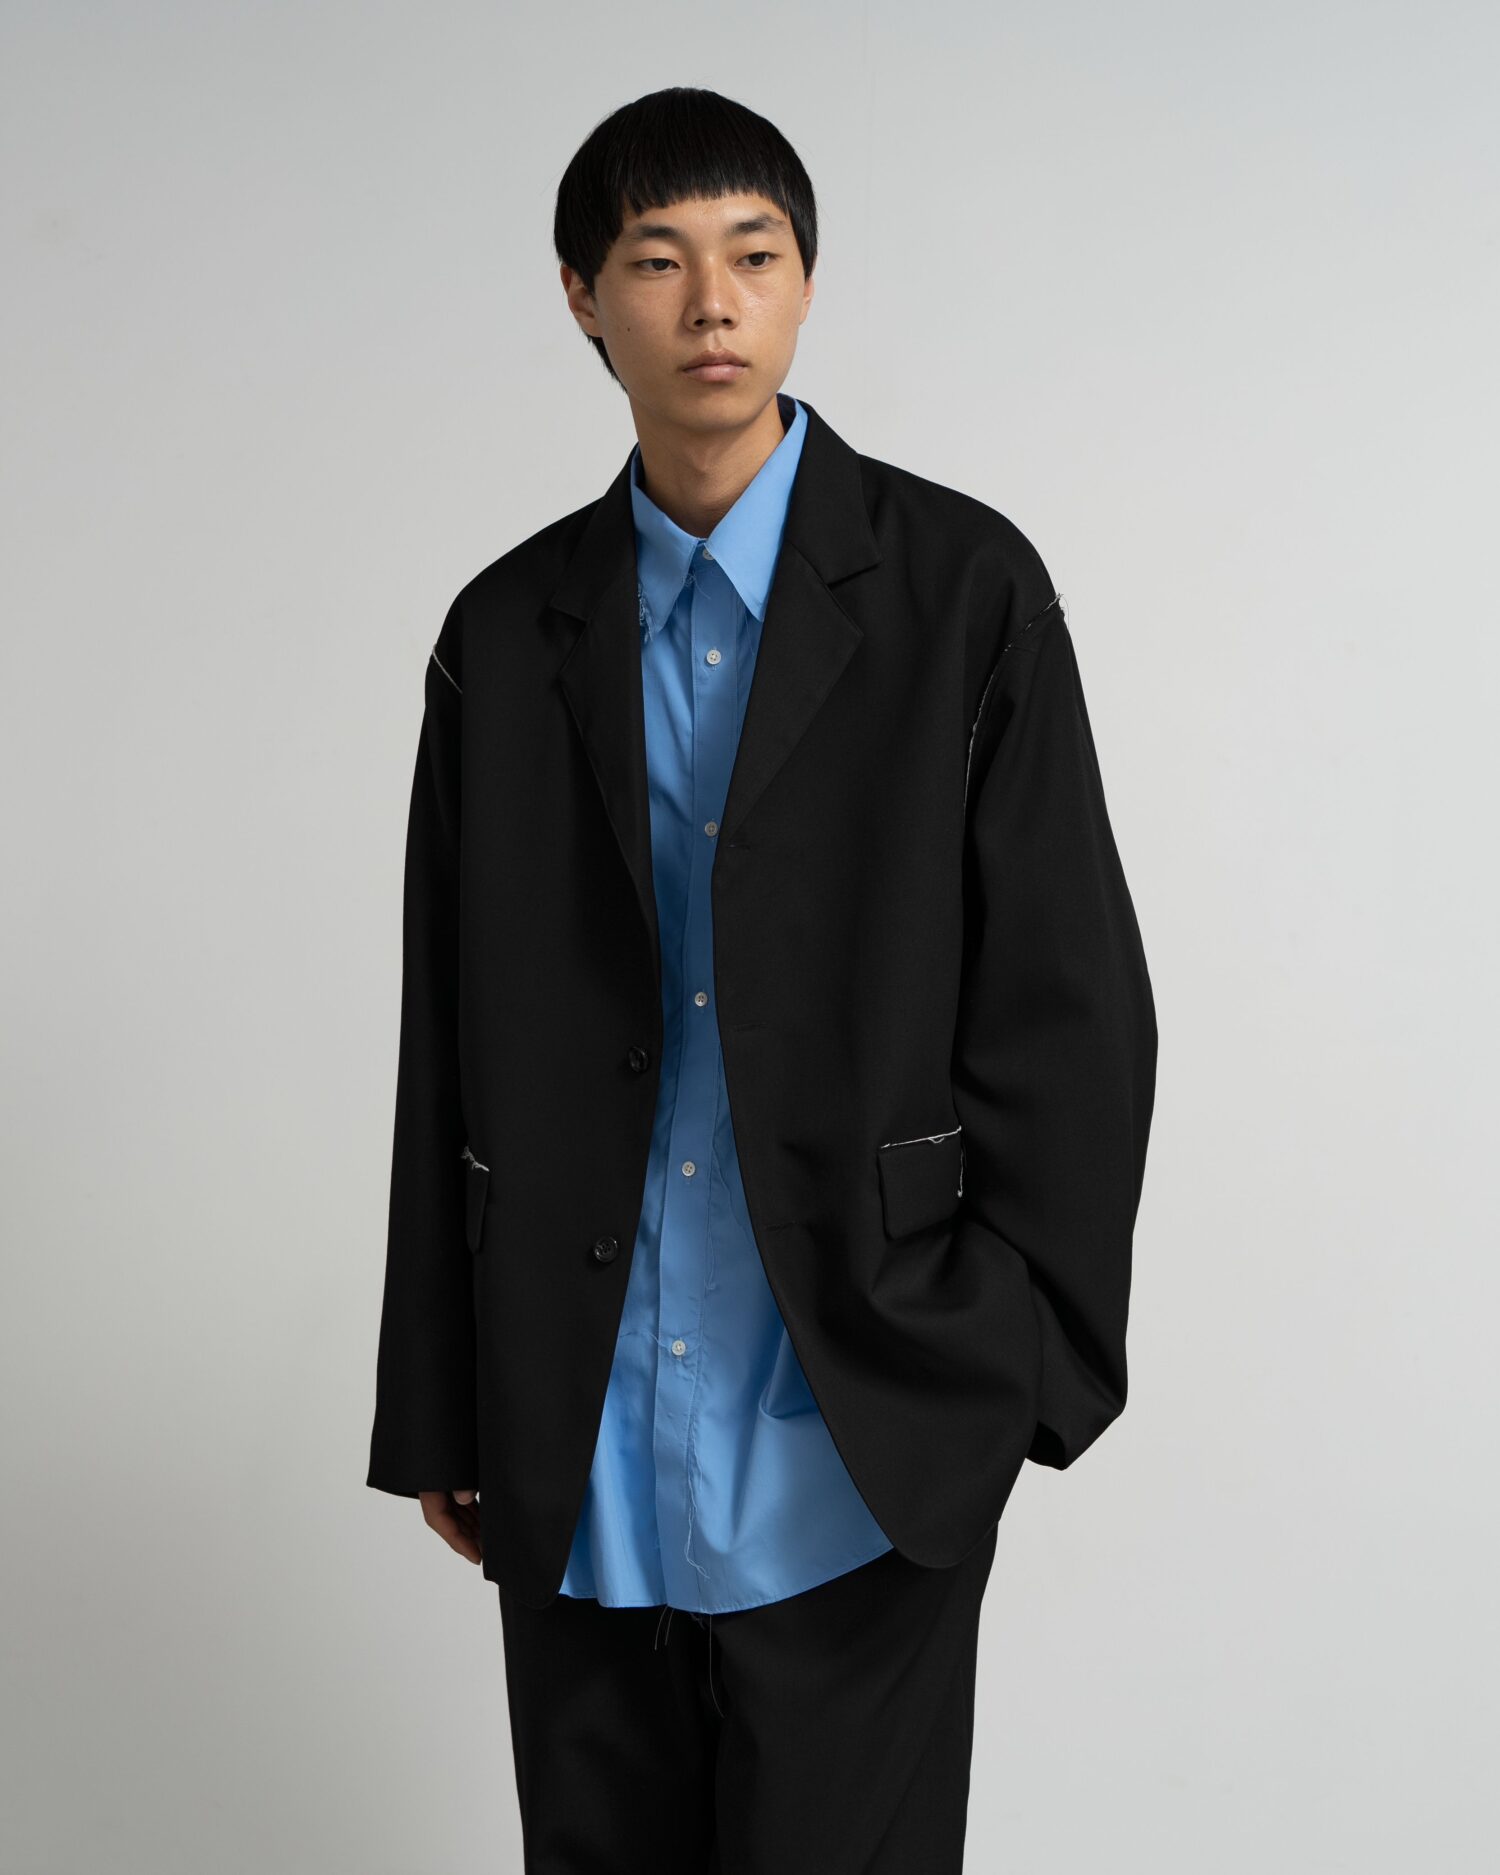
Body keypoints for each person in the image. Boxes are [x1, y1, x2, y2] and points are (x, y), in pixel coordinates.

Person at [367, 83, 1158, 1873]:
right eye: (658, 261)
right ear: (582, 297)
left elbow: (1074, 1007)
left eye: (755, 254)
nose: (712, 303)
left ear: (807, 284)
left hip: (861, 1420)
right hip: (578, 1422)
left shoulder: (964, 592)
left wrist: (1018, 1361)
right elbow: (445, 1033)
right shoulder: (506, 633)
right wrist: (439, 1395)